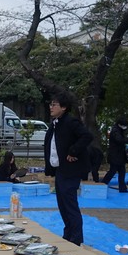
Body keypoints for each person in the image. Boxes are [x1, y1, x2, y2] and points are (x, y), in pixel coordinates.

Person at [44, 91, 93, 246]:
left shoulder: (70, 122)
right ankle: (68, 235)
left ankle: (76, 239)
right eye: (50, 104)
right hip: (60, 170)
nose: (51, 107)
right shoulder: (55, 123)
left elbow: (86, 136)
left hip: (71, 171)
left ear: (63, 107)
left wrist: (73, 151)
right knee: (62, 205)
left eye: (54, 104)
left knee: (70, 205)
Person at [102, 117, 128, 193]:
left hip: (119, 155)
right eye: (124, 125)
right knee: (113, 171)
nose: (125, 127)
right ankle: (103, 184)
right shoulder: (116, 131)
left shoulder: (118, 130)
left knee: (121, 172)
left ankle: (122, 188)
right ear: (120, 124)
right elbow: (120, 140)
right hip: (116, 155)